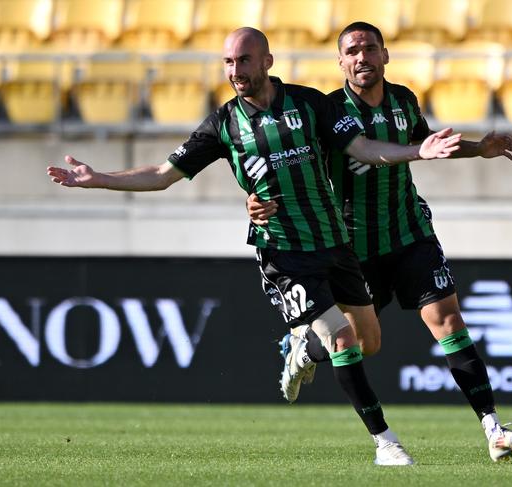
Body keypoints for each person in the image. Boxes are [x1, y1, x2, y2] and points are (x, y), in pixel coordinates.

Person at [47, 27, 463, 466]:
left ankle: (302, 347)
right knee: (343, 340)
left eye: (244, 60)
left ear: (267, 61)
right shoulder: (222, 124)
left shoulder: (309, 103)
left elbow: (362, 147)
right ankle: (385, 442)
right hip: (283, 251)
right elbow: (163, 174)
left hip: (335, 242)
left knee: (368, 342)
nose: (235, 70)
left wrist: (418, 151)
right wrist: (100, 179)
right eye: (228, 62)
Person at [247, 22, 512, 463]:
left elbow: (425, 144)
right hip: (354, 247)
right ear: (340, 63)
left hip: (410, 232)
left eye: (369, 48)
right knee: (365, 345)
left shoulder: (403, 100)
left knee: (448, 320)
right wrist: (259, 201)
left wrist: (479, 148)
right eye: (352, 51)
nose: (362, 57)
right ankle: (304, 346)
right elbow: (291, 164)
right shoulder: (327, 110)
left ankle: (493, 429)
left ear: (385, 55)